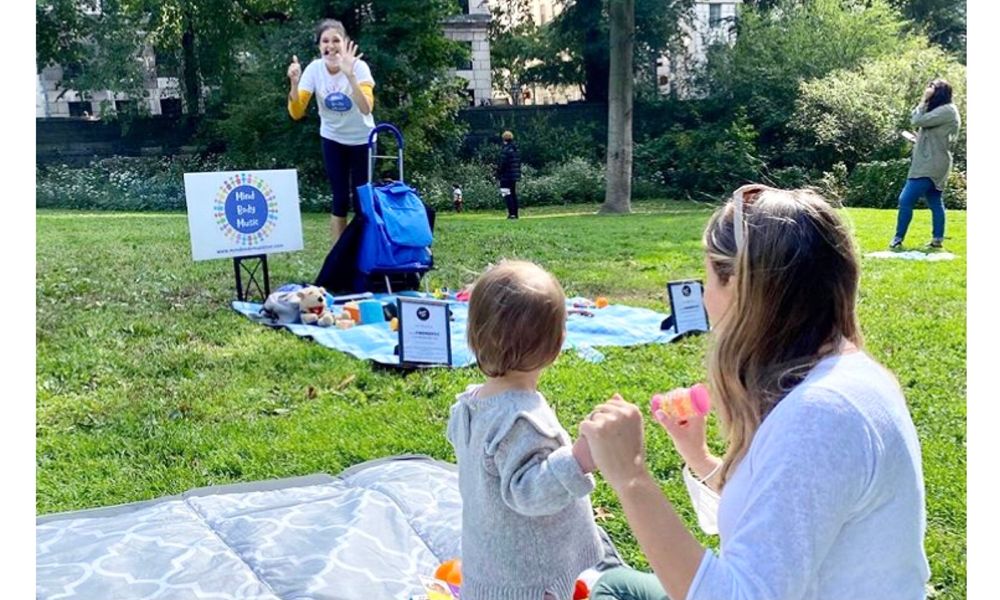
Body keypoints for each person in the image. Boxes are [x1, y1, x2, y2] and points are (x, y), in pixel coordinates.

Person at [578, 185, 929, 600]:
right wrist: (699, 457)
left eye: (708, 278)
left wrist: (630, 477)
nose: (704, 297)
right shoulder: (845, 378)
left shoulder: (821, 415)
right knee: (613, 584)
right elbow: (778, 516)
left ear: (740, 286)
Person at [446, 260, 606, 600]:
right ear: (557, 344)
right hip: (529, 577)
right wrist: (578, 459)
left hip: (489, 561)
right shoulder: (520, 420)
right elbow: (530, 493)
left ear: (474, 335)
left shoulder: (471, 404)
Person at [287, 18, 375, 245]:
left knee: (362, 201)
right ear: (319, 46)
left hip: (362, 140)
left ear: (345, 43)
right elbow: (296, 112)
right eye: (325, 41)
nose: (331, 46)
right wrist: (294, 84)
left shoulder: (359, 67)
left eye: (336, 40)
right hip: (333, 138)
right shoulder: (314, 70)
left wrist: (350, 76)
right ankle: (338, 255)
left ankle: (363, 253)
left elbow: (366, 108)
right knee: (339, 199)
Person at [891, 78, 961, 249]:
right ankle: (937, 239)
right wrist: (920, 139)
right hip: (933, 161)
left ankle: (898, 238)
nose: (928, 89)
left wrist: (924, 100)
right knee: (934, 199)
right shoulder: (943, 110)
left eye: (932, 87)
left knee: (905, 199)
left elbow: (917, 120)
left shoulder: (947, 110)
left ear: (940, 92)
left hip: (931, 164)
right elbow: (931, 132)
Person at [496, 131, 522, 219]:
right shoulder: (515, 149)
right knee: (513, 194)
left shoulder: (505, 150)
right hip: (514, 175)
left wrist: (498, 173)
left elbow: (503, 163)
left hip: (506, 175)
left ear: (503, 139)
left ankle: (511, 213)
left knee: (506, 194)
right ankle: (515, 213)